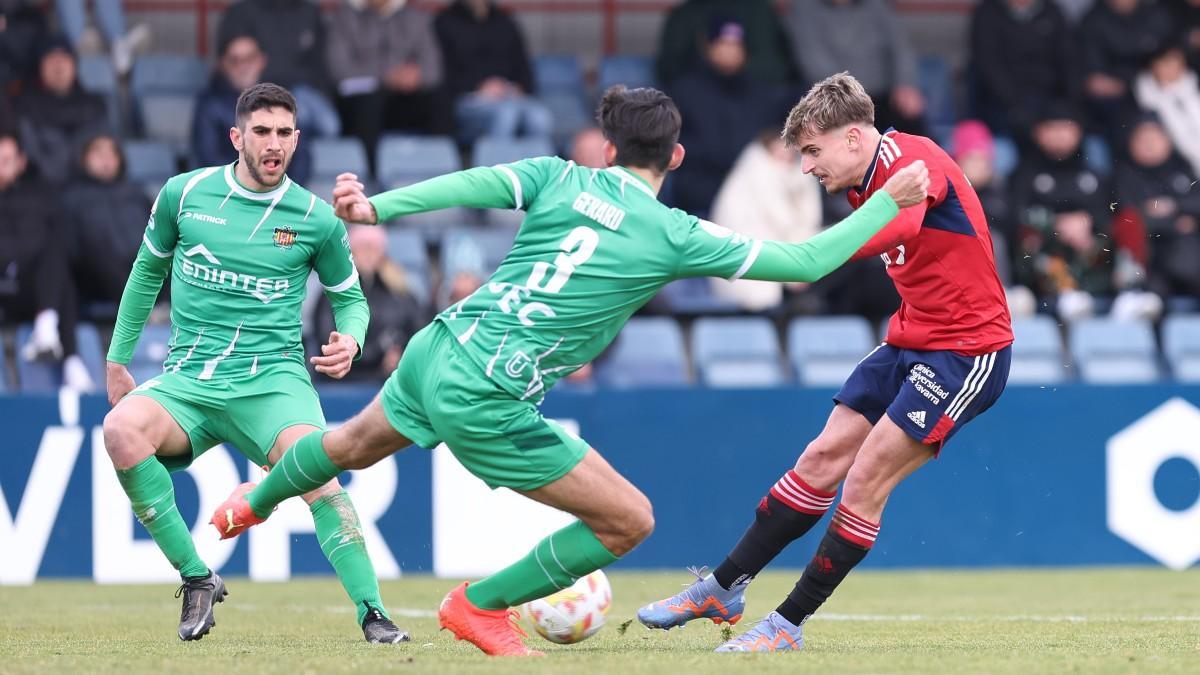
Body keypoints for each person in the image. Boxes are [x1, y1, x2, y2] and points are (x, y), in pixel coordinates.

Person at [208, 84, 931, 657]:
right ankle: (480, 604)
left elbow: (473, 182)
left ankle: (254, 499)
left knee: (348, 445)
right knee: (628, 520)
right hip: (487, 389)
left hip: (440, 344)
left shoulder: (557, 175)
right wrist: (887, 207)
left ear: (609, 148)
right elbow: (803, 262)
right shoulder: (675, 232)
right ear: (675, 160)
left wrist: (377, 206)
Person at [637, 73, 1013, 652]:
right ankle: (721, 588)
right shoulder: (865, 183)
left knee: (864, 478)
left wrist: (803, 255)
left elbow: (892, 225)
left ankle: (785, 626)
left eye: (814, 150)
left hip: (968, 352)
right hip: (910, 340)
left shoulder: (912, 159)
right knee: (820, 458)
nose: (808, 166)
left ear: (855, 138)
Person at [100, 83, 406, 644]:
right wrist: (119, 359)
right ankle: (197, 577)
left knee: (321, 481)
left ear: (296, 139)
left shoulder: (315, 218)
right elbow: (147, 274)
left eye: (284, 133)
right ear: (237, 136)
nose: (274, 144)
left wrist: (353, 339)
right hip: (189, 383)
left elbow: (351, 298)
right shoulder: (183, 194)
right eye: (262, 132)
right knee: (120, 431)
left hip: (273, 383)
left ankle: (374, 614)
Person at [667, 16, 790, 218]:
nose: (729, 50)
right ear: (707, 46)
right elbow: (676, 145)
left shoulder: (760, 92)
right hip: (703, 187)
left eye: (735, 44)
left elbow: (770, 139)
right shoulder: (684, 91)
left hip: (753, 184)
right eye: (722, 43)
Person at [0, 131, 93, 390]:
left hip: (32, 286)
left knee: (56, 260)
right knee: (59, 280)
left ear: (21, 162)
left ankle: (47, 328)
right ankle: (70, 358)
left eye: (7, 159)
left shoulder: (40, 195)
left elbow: (65, 241)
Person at [327, 0, 444, 166]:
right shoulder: (345, 16)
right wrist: (386, 77)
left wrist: (415, 76)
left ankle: (440, 171)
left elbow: (433, 70)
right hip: (360, 102)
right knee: (370, 103)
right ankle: (370, 175)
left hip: (404, 96)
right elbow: (339, 70)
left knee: (440, 100)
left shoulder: (414, 16)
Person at [788, 0, 927, 136]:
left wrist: (905, 84)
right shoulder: (805, 7)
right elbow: (814, 61)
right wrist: (849, 96)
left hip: (884, 96)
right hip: (837, 99)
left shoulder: (877, 4)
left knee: (914, 129)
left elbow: (899, 47)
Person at [311, 225, 427, 382]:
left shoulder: (399, 290)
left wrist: (400, 356)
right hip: (343, 381)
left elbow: (418, 331)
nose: (369, 253)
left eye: (374, 247)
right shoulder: (334, 290)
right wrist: (378, 353)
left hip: (388, 380)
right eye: (363, 247)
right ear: (351, 251)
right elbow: (326, 340)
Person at [192, 34, 312, 185]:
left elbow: (301, 157)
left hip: (280, 197)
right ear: (223, 64)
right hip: (229, 196)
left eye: (249, 59)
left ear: (262, 61)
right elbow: (208, 158)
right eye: (234, 60)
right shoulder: (209, 104)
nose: (242, 66)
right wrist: (251, 186)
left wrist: (282, 191)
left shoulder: (281, 101)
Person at [433, 0, 550, 144]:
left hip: (508, 93)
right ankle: (497, 165)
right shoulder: (444, 22)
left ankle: (534, 166)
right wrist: (479, 87)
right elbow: (440, 72)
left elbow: (523, 66)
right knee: (505, 114)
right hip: (466, 98)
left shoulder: (505, 21)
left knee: (540, 116)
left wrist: (521, 87)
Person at [62, 132, 151, 307]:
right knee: (98, 248)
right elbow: (71, 249)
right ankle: (139, 307)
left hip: (140, 267)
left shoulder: (136, 194)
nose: (106, 160)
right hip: (95, 276)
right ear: (83, 158)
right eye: (98, 154)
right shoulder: (71, 198)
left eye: (112, 154)